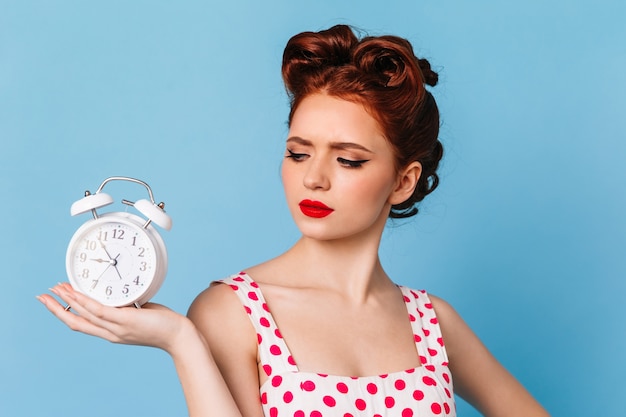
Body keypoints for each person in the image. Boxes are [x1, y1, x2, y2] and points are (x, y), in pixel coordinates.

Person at [38, 24, 549, 417]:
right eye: (299, 153)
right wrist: (180, 340)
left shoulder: (433, 323)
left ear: (403, 181)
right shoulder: (232, 313)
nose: (314, 179)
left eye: (348, 160)